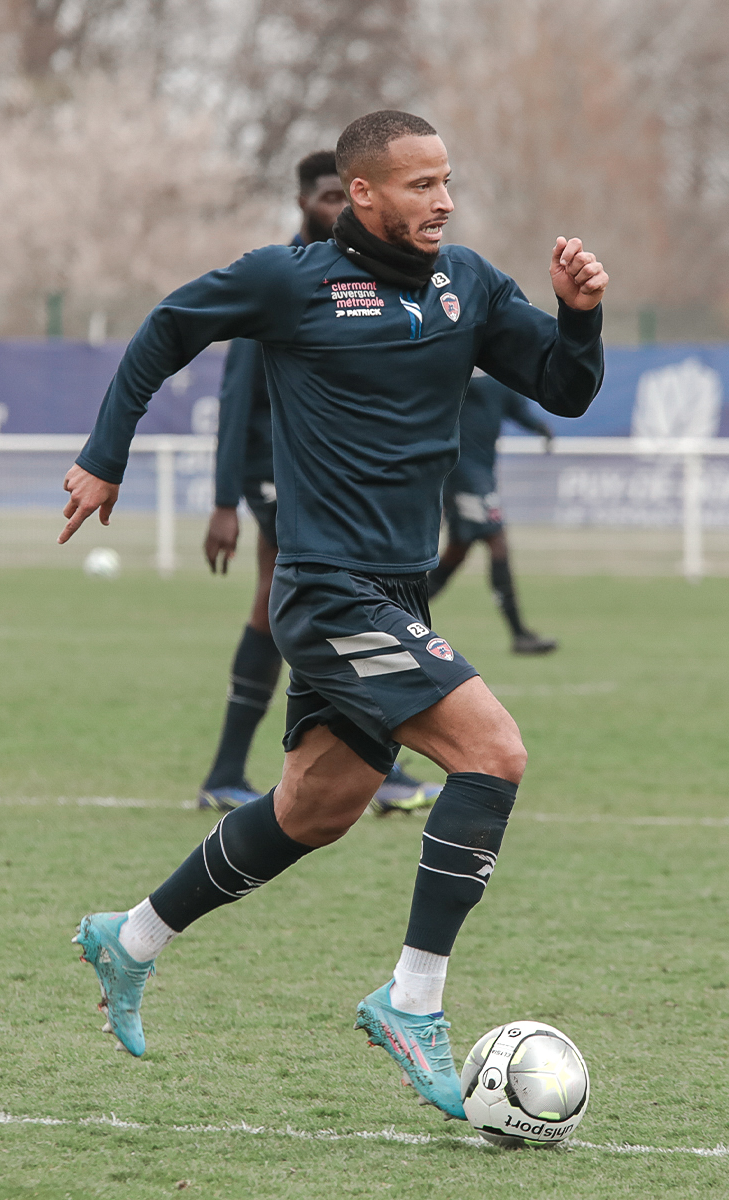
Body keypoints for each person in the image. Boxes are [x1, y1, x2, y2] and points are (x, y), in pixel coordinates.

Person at [59, 110, 606, 1121]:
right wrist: (106, 453)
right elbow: (165, 332)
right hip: (325, 588)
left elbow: (565, 390)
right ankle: (412, 1002)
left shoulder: (470, 285)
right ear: (362, 193)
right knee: (493, 753)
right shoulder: (289, 280)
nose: (441, 202)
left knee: (318, 806)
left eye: (447, 182)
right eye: (417, 186)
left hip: (397, 590)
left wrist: (577, 316)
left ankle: (128, 938)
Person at [198, 151, 440, 817]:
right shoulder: (283, 278)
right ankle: (373, 770)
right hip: (276, 476)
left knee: (292, 614)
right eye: (329, 197)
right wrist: (225, 501)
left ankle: (237, 771)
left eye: (347, 197)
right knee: (323, 602)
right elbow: (237, 392)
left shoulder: (367, 276)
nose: (340, 209)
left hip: (331, 478)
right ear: (304, 202)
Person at [427, 373, 559, 654]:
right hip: (463, 475)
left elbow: (517, 408)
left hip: (479, 475)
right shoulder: (461, 374)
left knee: (457, 552)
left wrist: (540, 427)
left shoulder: (497, 379)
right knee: (496, 540)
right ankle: (519, 634)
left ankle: (397, 615)